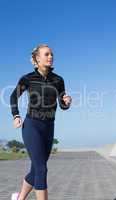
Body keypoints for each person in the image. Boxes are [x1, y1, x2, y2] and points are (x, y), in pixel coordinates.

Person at [10, 44, 72, 200]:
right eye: (46, 54)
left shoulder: (58, 80)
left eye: (51, 54)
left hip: (49, 127)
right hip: (32, 126)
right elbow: (13, 96)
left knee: (36, 170)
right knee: (42, 169)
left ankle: (19, 198)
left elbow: (63, 105)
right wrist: (16, 115)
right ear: (37, 58)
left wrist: (67, 102)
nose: (51, 56)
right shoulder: (28, 78)